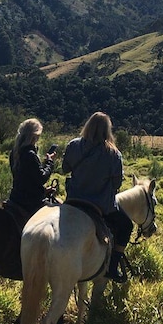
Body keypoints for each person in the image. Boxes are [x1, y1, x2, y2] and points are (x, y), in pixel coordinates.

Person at [62, 112, 133, 282]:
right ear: (107, 130)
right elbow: (116, 185)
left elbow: (65, 169)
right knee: (126, 225)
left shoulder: (73, 145)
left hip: (73, 202)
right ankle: (113, 267)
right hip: (100, 205)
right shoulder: (114, 154)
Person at [7, 118, 56, 214]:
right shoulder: (30, 155)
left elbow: (23, 178)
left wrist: (43, 191)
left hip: (16, 197)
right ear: (34, 136)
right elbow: (42, 178)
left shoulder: (15, 152)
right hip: (31, 201)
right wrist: (49, 162)